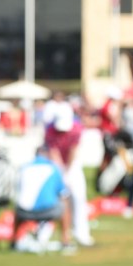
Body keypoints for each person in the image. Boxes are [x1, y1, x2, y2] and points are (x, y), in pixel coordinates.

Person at [44, 101, 93, 247]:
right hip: (56, 166)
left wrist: (68, 172)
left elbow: (73, 151)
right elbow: (53, 152)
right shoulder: (50, 130)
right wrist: (60, 172)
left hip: (73, 165)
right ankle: (45, 232)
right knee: (54, 199)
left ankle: (81, 233)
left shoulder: (77, 129)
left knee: (78, 197)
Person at [11, 146, 73, 253]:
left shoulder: (23, 168)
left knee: (18, 206)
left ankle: (14, 241)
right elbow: (63, 193)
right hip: (48, 211)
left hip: (23, 212)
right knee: (65, 204)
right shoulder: (53, 168)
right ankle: (66, 241)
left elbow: (17, 190)